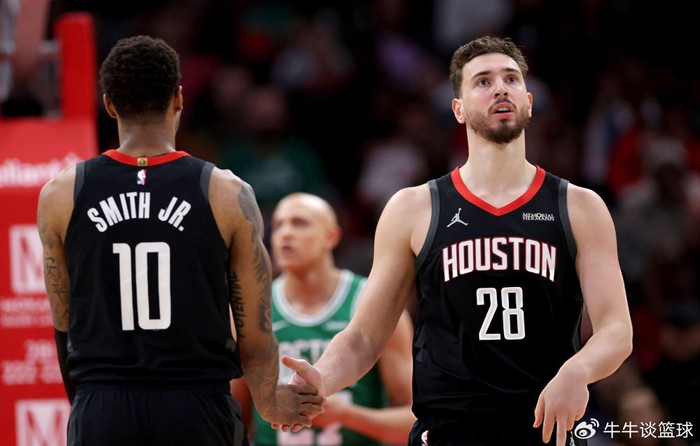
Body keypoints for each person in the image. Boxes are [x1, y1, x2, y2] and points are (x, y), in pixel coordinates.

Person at [281, 36, 634, 446]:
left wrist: (578, 370)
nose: (500, 88)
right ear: (459, 109)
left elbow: (616, 329)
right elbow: (364, 337)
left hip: (544, 431)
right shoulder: (413, 208)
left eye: (511, 79)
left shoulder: (579, 206)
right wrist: (321, 378)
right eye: (483, 81)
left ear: (528, 101)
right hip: (448, 432)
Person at [37, 36, 322, 446]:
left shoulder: (60, 195)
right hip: (196, 405)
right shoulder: (227, 193)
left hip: (103, 406)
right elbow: (255, 335)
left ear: (110, 105)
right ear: (179, 99)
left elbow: (63, 326)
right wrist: (270, 403)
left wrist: (87, 409)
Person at [231, 192, 416, 445]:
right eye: (278, 225)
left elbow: (414, 421)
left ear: (332, 236)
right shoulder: (250, 309)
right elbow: (233, 416)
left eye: (299, 223)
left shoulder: (372, 304)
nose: (285, 233)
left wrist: (346, 415)